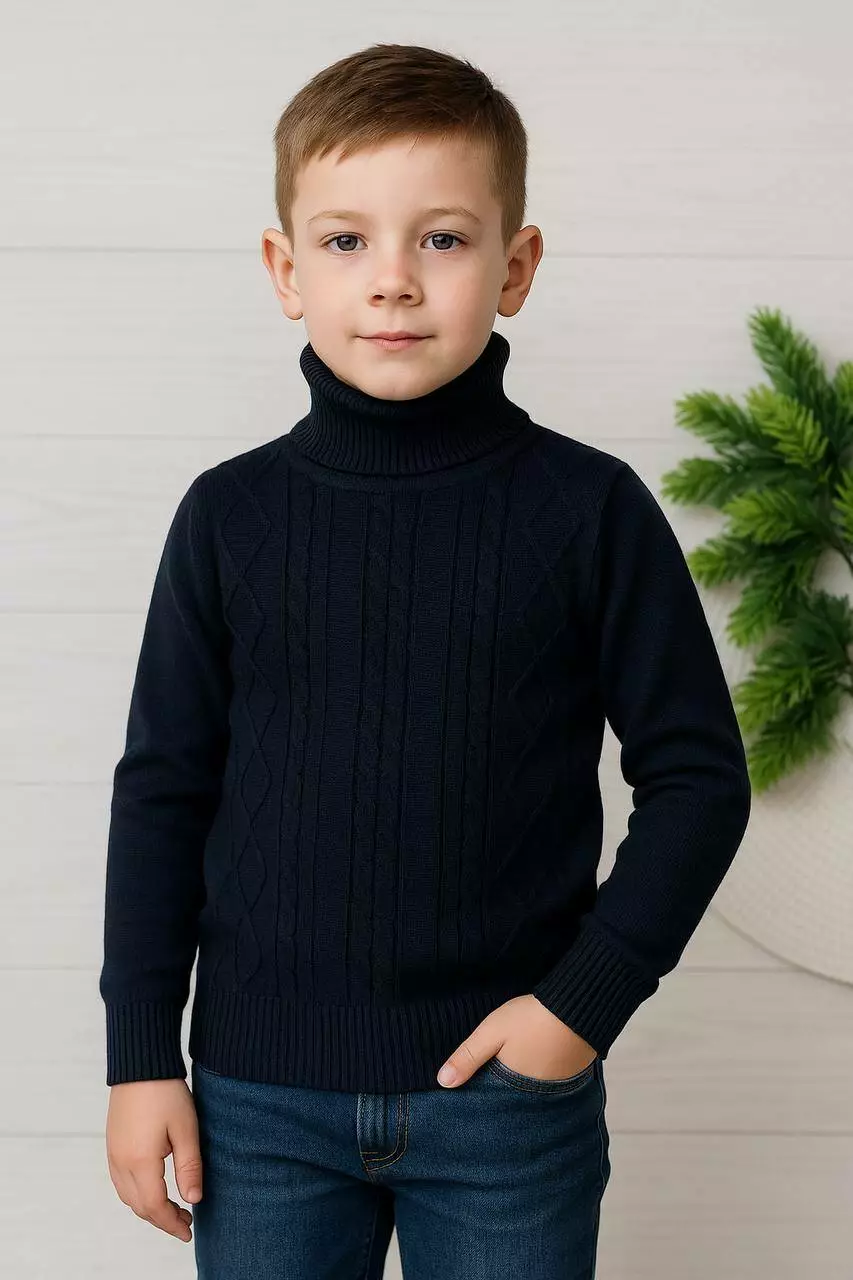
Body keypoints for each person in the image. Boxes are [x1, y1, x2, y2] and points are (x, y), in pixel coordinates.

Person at [100, 42, 752, 1279]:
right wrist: (140, 1055)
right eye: (346, 240)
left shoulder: (589, 510)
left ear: (515, 267)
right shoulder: (228, 516)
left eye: (441, 239)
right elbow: (162, 791)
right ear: (285, 270)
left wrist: (577, 1007)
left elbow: (698, 778)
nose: (393, 279)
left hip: (506, 1104)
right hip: (258, 1102)